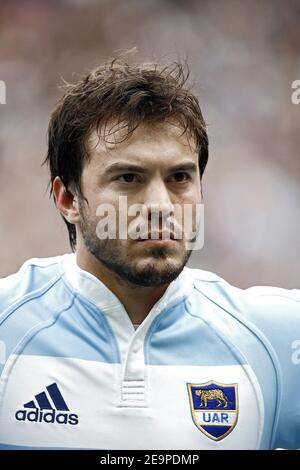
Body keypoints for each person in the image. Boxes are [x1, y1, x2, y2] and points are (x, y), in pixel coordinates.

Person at [0, 57, 299, 450]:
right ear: (68, 198)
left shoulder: (279, 339)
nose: (161, 205)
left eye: (179, 178)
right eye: (129, 178)